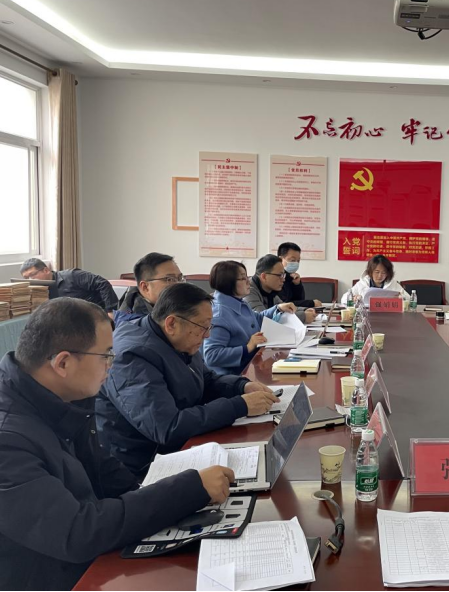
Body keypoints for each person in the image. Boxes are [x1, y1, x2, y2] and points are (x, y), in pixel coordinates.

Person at [0, 298, 234, 590]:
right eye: (106, 355)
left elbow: (106, 474)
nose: (112, 364)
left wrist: (171, 500)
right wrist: (189, 489)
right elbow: (76, 532)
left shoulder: (63, 397)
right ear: (63, 363)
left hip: (90, 561)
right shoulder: (8, 440)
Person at [97, 283, 277, 476]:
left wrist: (242, 387)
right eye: (203, 327)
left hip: (184, 445)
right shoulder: (131, 356)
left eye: (209, 326)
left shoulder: (176, 339)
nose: (208, 335)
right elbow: (167, 427)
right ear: (171, 323)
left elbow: (206, 380)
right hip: (145, 466)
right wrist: (240, 406)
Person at [203, 260, 287, 376]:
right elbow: (212, 356)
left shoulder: (238, 302)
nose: (249, 281)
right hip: (230, 377)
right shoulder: (219, 315)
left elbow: (257, 319)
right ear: (228, 282)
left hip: (248, 365)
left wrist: (278, 308)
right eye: (243, 278)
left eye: (247, 277)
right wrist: (248, 347)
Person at [19, 257, 118, 314]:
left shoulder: (72, 275)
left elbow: (102, 283)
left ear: (46, 270)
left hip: (95, 315)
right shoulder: (38, 292)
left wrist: (110, 311)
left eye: (32, 275)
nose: (30, 280)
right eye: (26, 278)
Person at [114, 252, 184, 326]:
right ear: (145, 287)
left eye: (180, 278)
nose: (179, 284)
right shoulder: (135, 324)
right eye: (169, 279)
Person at [244, 254, 315, 324]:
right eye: (279, 275)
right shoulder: (248, 290)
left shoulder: (270, 291)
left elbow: (285, 306)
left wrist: (306, 309)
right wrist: (303, 316)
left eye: (283, 275)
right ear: (264, 276)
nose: (283, 279)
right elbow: (262, 319)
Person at [341, 254, 410, 304]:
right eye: (377, 272)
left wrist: (401, 298)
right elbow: (343, 299)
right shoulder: (362, 283)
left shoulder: (392, 284)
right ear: (370, 271)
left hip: (387, 315)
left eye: (383, 272)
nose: (380, 276)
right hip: (366, 315)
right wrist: (353, 298)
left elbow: (409, 299)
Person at [276, 242, 322, 309]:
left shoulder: (292, 277)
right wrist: (311, 303)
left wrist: (297, 285)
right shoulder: (276, 278)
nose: (296, 263)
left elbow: (300, 300)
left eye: (298, 261)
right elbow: (285, 304)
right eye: (292, 260)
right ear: (280, 260)